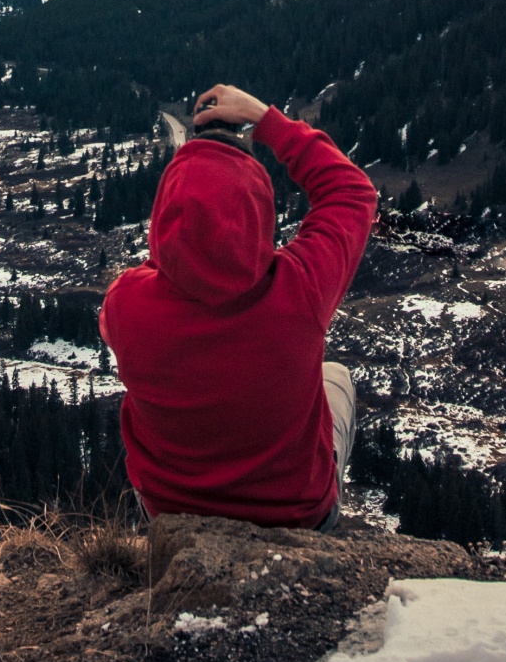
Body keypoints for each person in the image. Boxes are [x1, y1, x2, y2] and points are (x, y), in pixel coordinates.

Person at [99, 81, 377, 528]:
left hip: (170, 512)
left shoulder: (125, 305)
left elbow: (159, 271)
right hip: (299, 517)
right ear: (258, 213)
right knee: (335, 377)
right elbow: (351, 193)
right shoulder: (300, 287)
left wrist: (180, 240)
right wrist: (268, 120)